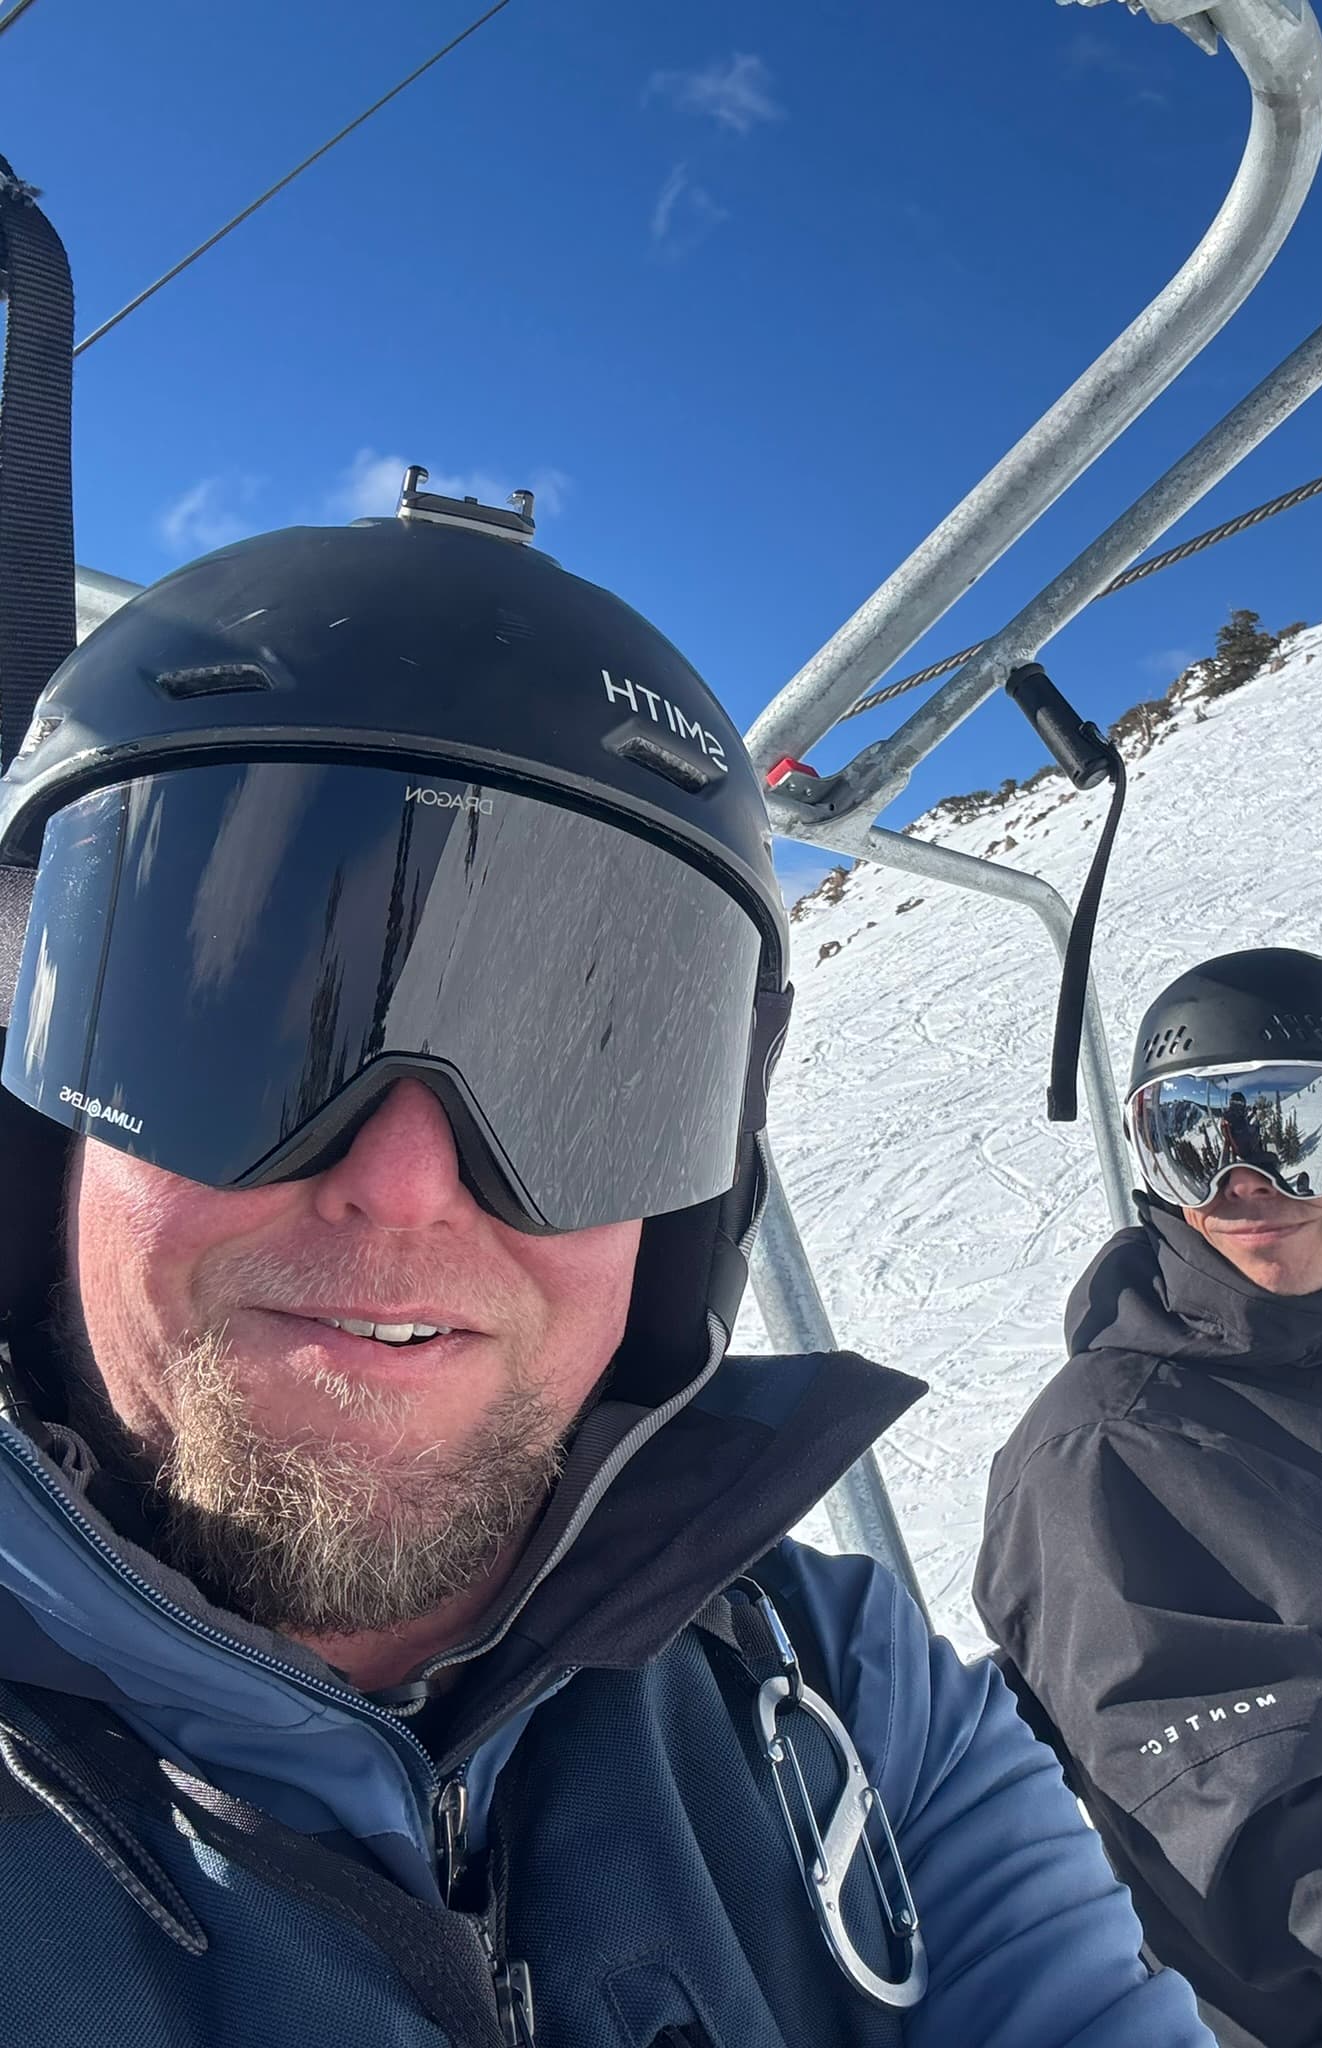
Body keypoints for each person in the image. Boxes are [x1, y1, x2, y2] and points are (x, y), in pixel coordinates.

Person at [0, 483, 1213, 2048]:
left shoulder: (844, 1696)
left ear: (690, 1215)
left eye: (580, 1078)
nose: (404, 1186)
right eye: (236, 1031)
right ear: (36, 1129)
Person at [975, 946, 1322, 2048]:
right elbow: (1310, 1874)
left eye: (1293, 1132)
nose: (1242, 1185)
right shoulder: (1120, 1454)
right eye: (1191, 1141)